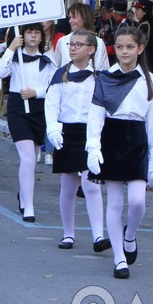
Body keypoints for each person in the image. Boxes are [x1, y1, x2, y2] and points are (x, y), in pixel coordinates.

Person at [86, 26, 153, 279]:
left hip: (137, 140)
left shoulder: (149, 80)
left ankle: (130, 236)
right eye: (119, 47)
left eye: (130, 47)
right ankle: (119, 258)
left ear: (140, 49)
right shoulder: (106, 78)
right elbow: (95, 116)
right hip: (113, 138)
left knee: (138, 201)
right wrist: (93, 147)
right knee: (115, 201)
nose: (124, 52)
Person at [45, 29, 109, 252]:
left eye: (78, 45)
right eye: (71, 44)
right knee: (68, 185)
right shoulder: (61, 75)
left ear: (91, 50)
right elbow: (52, 104)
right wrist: (52, 127)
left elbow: (104, 108)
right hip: (67, 132)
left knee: (92, 185)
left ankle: (98, 236)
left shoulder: (99, 78)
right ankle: (68, 233)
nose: (72, 48)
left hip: (91, 134)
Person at [0, 22, 58, 222]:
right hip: (18, 108)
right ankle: (29, 205)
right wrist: (12, 47)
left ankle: (24, 195)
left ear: (41, 37)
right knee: (28, 157)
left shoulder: (48, 61)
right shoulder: (15, 59)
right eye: (29, 32)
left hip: (39, 110)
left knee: (34, 156)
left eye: (36, 32)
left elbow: (54, 88)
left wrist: (36, 92)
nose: (33, 36)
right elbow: (0, 72)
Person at [54, 3, 110, 73]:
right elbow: (55, 68)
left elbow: (105, 70)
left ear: (85, 18)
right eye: (70, 17)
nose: (70, 21)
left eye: (74, 17)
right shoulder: (62, 41)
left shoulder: (99, 42)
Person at [133, 0, 153, 74]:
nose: (135, 11)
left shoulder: (145, 24)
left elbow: (140, 44)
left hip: (147, 61)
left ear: (145, 11)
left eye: (137, 9)